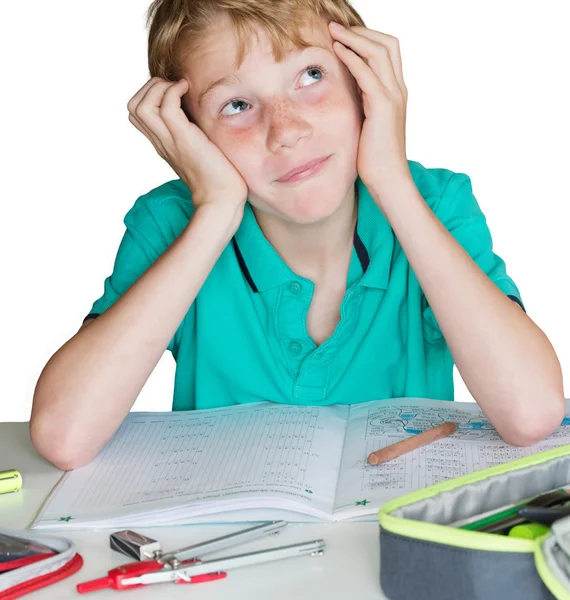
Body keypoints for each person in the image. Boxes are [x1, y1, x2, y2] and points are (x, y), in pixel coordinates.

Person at [30, 0, 565, 471]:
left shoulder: (434, 204)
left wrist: (391, 178)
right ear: (189, 135)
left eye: (311, 75)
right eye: (236, 105)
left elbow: (531, 412)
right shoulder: (171, 224)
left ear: (365, 84)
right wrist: (215, 210)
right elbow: (65, 438)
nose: (285, 130)